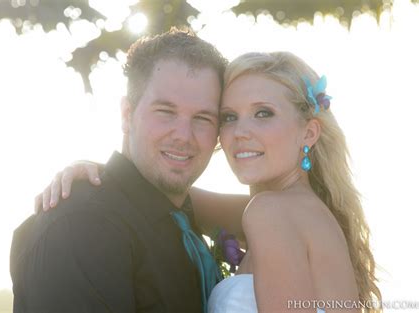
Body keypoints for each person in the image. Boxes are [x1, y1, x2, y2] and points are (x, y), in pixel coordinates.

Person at [40, 52, 383, 312]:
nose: (240, 133)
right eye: (229, 117)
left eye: (263, 113)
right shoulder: (305, 210)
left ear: (308, 132)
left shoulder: (270, 212)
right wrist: (99, 170)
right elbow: (163, 195)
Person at [10, 28, 230, 313]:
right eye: (165, 111)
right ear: (127, 115)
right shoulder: (82, 222)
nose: (183, 135)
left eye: (202, 117)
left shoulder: (180, 218)